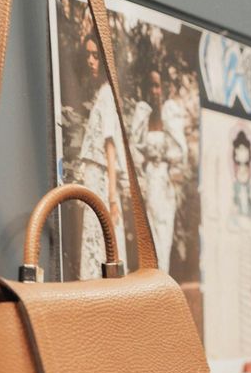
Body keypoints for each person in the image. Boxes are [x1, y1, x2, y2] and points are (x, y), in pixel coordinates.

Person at [77, 33, 127, 279]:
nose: (91, 61)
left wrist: (112, 196)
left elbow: (110, 145)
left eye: (96, 55)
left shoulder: (107, 94)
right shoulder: (103, 93)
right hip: (95, 177)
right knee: (95, 239)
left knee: (101, 239)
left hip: (101, 179)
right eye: (88, 55)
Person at [129, 68, 186, 273]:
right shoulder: (143, 114)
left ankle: (164, 276)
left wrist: (173, 172)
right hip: (150, 179)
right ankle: (153, 279)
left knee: (165, 229)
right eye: (151, 86)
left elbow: (179, 151)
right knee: (151, 229)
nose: (154, 90)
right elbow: (135, 149)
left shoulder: (168, 115)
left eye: (157, 85)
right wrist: (142, 176)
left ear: (162, 88)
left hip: (166, 180)